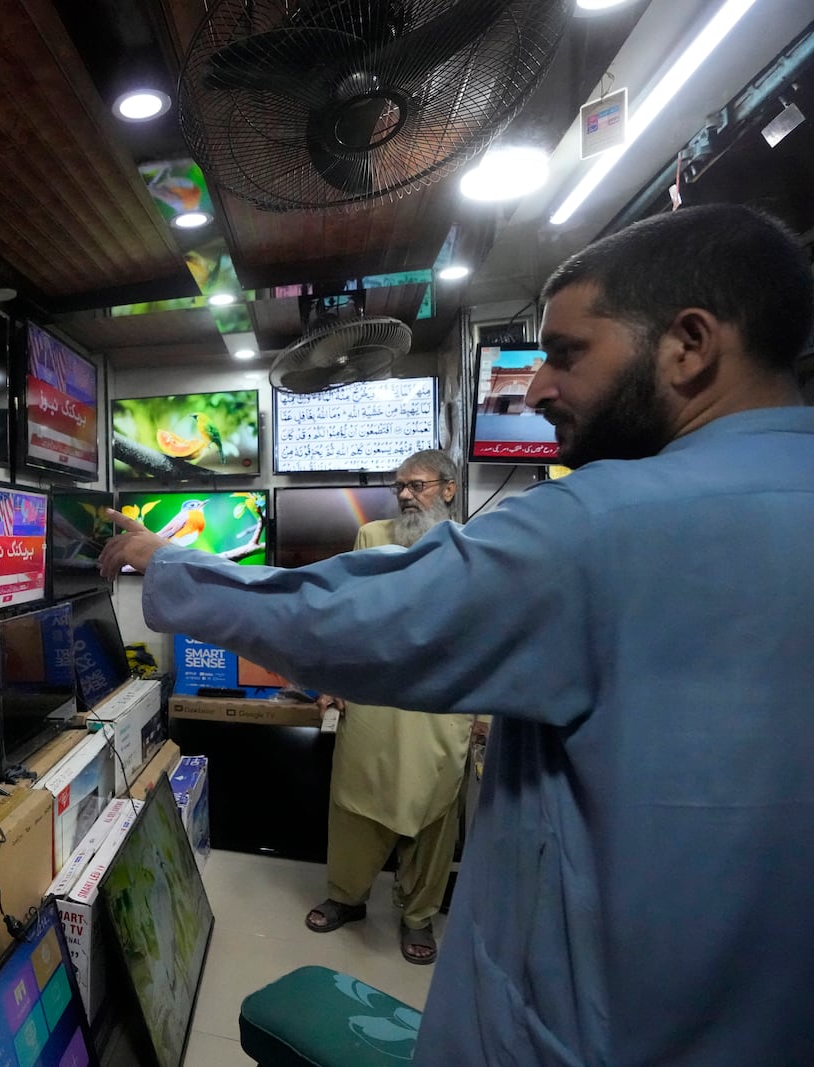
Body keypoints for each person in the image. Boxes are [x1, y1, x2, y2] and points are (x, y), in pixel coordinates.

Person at [98, 204, 814, 1065]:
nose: (538, 387)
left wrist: (165, 565)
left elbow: (351, 615)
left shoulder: (602, 523)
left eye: (567, 352)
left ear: (689, 345)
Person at [305, 449, 477, 966]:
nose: (404, 495)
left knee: (435, 809)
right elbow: (347, 617)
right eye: (398, 485)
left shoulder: (475, 547)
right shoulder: (371, 538)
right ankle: (346, 897)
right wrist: (330, 680)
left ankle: (418, 915)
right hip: (374, 694)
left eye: (417, 485)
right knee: (356, 798)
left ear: (448, 488)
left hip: (441, 702)